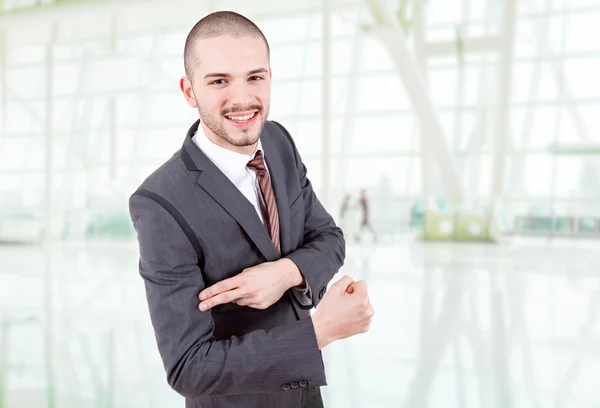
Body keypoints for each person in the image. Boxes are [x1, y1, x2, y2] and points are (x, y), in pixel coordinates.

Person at [128, 11, 374, 408]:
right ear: (189, 91)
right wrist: (320, 331)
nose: (242, 99)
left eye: (254, 77)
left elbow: (329, 238)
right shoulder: (161, 202)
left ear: (270, 78)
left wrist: (286, 272)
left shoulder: (277, 142)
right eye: (220, 81)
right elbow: (189, 368)